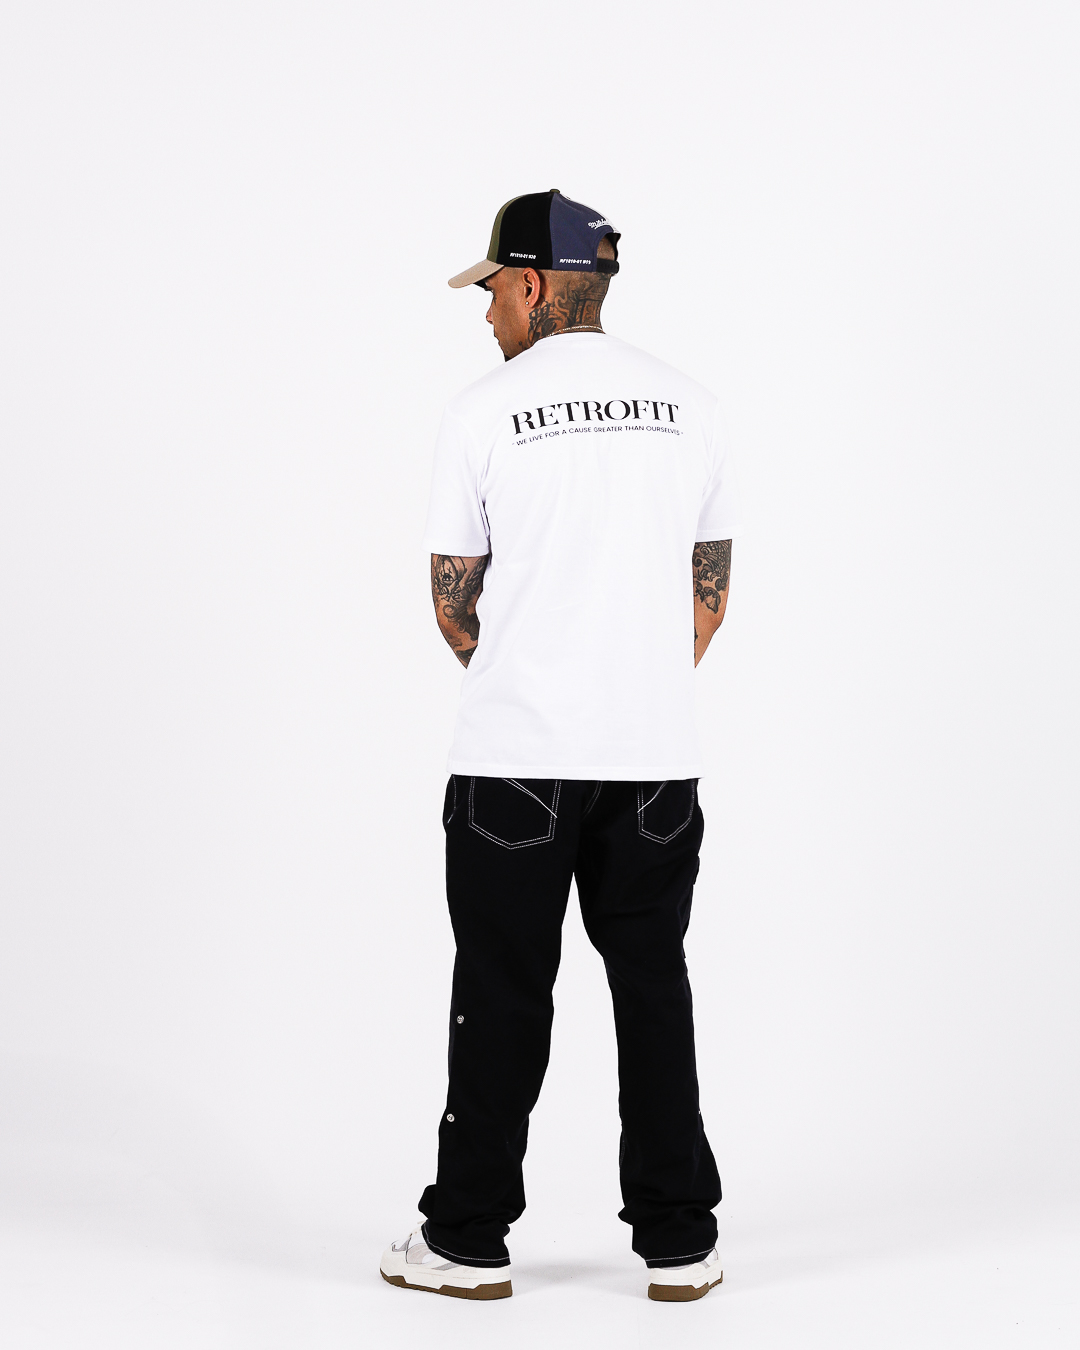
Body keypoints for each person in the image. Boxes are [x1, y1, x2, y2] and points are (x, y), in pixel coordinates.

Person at [379, 189, 739, 1303]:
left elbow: (453, 602)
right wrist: (631, 690)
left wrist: (531, 680)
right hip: (655, 761)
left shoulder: (481, 412)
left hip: (514, 765)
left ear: (532, 284)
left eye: (492, 289)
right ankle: (680, 1244)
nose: (485, 311)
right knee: (654, 988)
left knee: (501, 992)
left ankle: (465, 1243)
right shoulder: (694, 407)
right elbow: (710, 596)